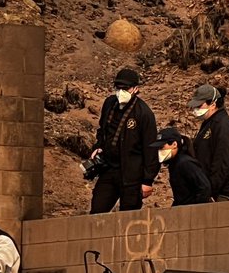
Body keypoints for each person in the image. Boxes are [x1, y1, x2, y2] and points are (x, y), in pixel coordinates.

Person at [88, 67, 159, 213]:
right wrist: (98, 146)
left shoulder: (144, 113)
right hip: (108, 168)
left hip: (131, 175)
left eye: (125, 88)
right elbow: (102, 130)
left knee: (129, 215)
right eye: (118, 87)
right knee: (97, 210)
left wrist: (147, 180)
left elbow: (151, 148)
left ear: (135, 89)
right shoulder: (109, 103)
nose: (121, 92)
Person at [188, 83, 229, 201]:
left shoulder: (222, 126)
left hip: (220, 194)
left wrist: (210, 190)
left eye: (199, 106)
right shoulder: (210, 123)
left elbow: (222, 162)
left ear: (213, 104)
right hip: (209, 190)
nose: (195, 110)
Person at [151, 127, 211, 206]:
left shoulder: (185, 163)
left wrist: (194, 209)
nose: (159, 151)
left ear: (174, 144)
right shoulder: (174, 163)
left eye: (162, 147)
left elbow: (204, 188)